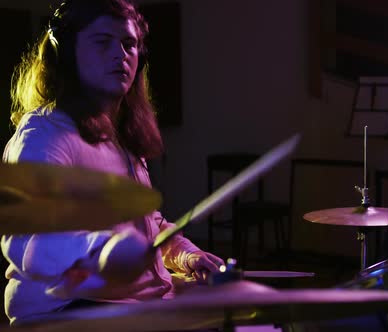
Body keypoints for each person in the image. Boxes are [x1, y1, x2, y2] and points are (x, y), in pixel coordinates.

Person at [1, 0, 224, 325]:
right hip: (70, 313)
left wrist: (188, 255)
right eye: (102, 41)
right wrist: (104, 250)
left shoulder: (123, 138)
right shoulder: (45, 133)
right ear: (68, 53)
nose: (120, 54)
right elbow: (28, 238)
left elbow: (148, 228)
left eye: (128, 43)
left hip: (137, 305)